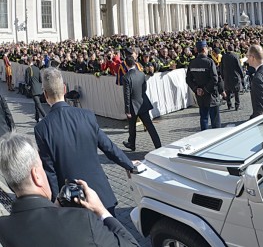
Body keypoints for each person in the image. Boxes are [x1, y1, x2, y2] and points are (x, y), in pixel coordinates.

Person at [0, 133, 140, 247]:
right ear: (36, 175)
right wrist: (101, 211)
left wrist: (53, 208)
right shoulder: (83, 220)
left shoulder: (4, 227)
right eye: (42, 167)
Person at [34, 67, 140, 215]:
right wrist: (128, 165)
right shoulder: (87, 115)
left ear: (45, 95)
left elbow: (50, 171)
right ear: (64, 89)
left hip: (73, 202)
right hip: (100, 194)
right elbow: (108, 147)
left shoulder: (42, 128)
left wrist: (57, 203)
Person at [122, 52, 162, 152]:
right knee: (150, 126)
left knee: (132, 127)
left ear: (126, 65)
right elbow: (144, 88)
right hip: (143, 103)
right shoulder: (141, 74)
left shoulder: (126, 77)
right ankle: (158, 145)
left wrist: (127, 110)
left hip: (132, 105)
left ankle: (132, 144)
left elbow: (126, 95)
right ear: (135, 63)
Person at [186, 40, 224, 130]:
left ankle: (204, 138)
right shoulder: (209, 62)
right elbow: (215, 78)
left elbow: (188, 79)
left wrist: (196, 89)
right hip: (211, 95)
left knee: (204, 119)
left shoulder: (192, 62)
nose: (208, 50)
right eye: (207, 48)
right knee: (215, 121)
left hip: (200, 96)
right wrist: (206, 89)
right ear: (204, 49)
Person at [220, 45, 245, 111]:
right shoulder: (235, 56)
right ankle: (237, 105)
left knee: (228, 91)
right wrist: (242, 75)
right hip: (235, 75)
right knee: (236, 91)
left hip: (227, 76)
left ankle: (229, 105)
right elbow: (239, 66)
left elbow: (221, 67)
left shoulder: (224, 56)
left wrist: (222, 75)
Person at [25, 57, 47, 122]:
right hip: (39, 88)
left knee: (38, 104)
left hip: (33, 89)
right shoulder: (37, 69)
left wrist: (28, 86)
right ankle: (37, 118)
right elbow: (40, 79)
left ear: (28, 62)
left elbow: (27, 80)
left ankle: (45, 116)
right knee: (37, 104)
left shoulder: (28, 69)